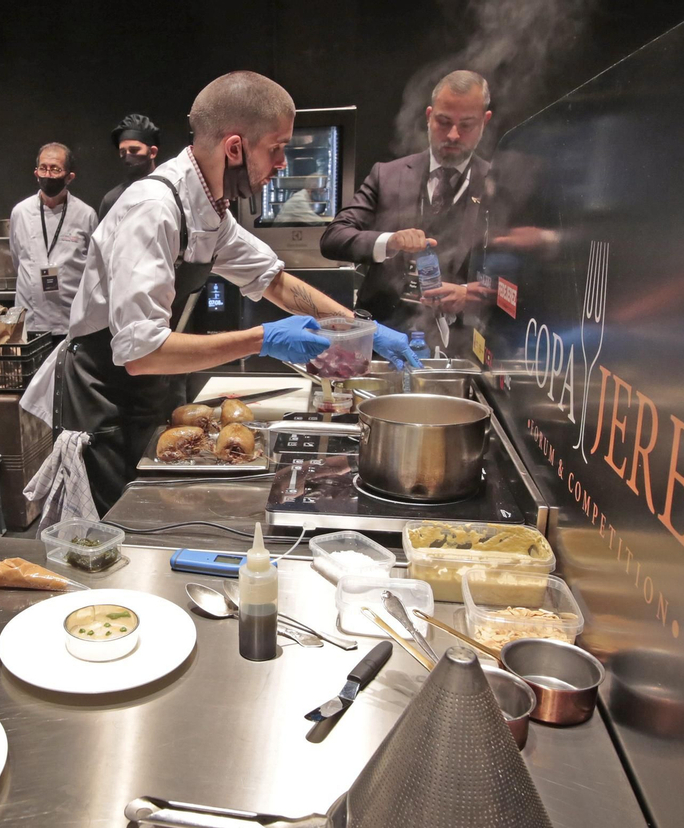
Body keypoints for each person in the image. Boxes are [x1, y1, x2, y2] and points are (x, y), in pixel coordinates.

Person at [57, 71, 419, 514]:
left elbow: (275, 281)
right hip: (105, 398)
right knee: (120, 527)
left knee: (162, 510)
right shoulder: (152, 210)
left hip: (150, 388)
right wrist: (262, 338)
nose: (282, 163)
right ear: (234, 148)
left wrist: (362, 330)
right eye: (276, 147)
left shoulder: (209, 207)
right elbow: (140, 352)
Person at [319, 70, 495, 331]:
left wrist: (471, 294)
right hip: (382, 334)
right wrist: (389, 241)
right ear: (429, 116)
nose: (453, 135)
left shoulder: (497, 184)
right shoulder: (387, 175)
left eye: (466, 125)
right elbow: (333, 238)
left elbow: (523, 280)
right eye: (443, 121)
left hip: (461, 340)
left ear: (484, 122)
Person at [8, 143, 97, 338]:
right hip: (31, 319)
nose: (48, 174)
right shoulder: (20, 212)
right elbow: (17, 259)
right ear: (36, 173)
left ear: (69, 177)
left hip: (72, 320)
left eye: (55, 169)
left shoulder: (85, 214)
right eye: (43, 168)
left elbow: (93, 267)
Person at [98, 113, 160, 221]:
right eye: (123, 152)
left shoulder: (171, 191)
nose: (128, 157)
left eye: (134, 150)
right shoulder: (112, 200)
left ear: (152, 152)